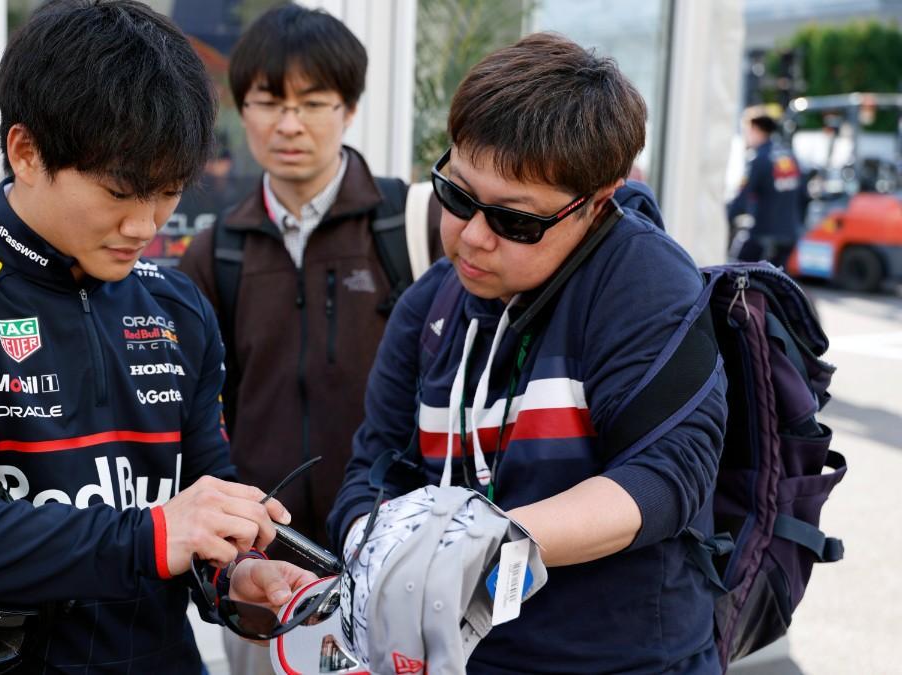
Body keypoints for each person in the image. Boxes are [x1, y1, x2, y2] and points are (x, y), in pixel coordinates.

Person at [0, 2, 315, 672]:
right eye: (119, 192)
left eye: (167, 192)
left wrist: (239, 573)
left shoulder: (175, 308)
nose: (147, 225)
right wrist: (145, 537)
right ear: (25, 151)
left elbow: (203, 505)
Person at [328, 33, 728, 673]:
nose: (473, 239)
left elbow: (663, 478)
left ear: (598, 202)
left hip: (622, 660)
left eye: (516, 221)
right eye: (457, 196)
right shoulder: (428, 305)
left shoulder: (645, 286)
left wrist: (495, 543)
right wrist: (373, 547)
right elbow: (376, 466)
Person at [178, 8, 439, 672]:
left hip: (396, 565)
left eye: (313, 103)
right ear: (243, 110)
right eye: (268, 103)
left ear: (348, 109)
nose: (289, 125)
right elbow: (200, 413)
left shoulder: (410, 224)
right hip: (266, 572)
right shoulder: (217, 252)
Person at [727, 107, 803, 267]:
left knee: (736, 272)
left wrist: (726, 216)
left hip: (762, 235)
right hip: (789, 236)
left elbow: (741, 198)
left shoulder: (758, 159)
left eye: (746, 131)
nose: (745, 137)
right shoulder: (789, 155)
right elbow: (803, 194)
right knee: (776, 284)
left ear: (756, 129)